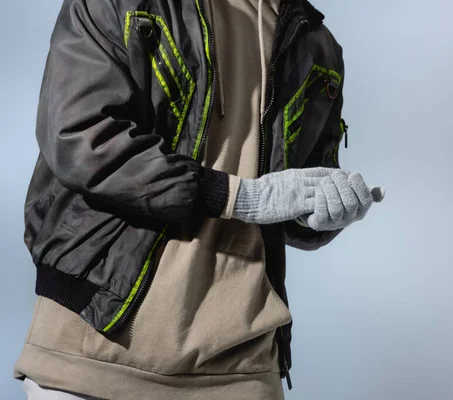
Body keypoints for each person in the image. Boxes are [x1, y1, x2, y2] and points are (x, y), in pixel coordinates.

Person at [14, 0, 385, 398]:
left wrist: (323, 212)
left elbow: (289, 198)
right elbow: (82, 139)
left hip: (243, 369)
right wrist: (240, 197)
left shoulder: (315, 43)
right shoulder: (120, 3)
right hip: (92, 351)